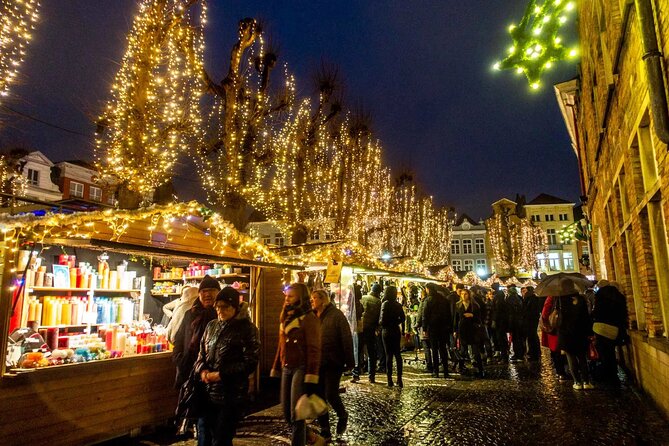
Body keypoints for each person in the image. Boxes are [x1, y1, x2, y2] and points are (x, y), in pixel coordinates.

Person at [194, 287, 260, 446]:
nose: (220, 311)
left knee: (222, 437)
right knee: (203, 434)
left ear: (235, 308)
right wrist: (202, 370)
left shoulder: (247, 329)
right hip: (207, 391)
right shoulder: (211, 326)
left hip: (230, 394)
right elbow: (201, 353)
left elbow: (250, 362)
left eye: (225, 307)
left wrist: (221, 374)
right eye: (218, 307)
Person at [270, 283, 321, 446]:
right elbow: (281, 345)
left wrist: (311, 375)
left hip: (301, 367)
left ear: (300, 297)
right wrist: (276, 366)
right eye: (286, 295)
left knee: (296, 414)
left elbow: (314, 348)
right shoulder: (286, 316)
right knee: (286, 412)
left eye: (290, 296)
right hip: (287, 366)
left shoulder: (309, 318)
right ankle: (312, 438)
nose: (287, 299)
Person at [310, 289, 354, 440]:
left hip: (333, 361)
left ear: (323, 300)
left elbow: (346, 338)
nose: (312, 301)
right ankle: (325, 429)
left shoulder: (336, 315)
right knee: (319, 396)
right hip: (317, 362)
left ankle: (342, 415)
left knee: (331, 393)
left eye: (314, 298)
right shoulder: (313, 316)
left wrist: (350, 361)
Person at [173, 275, 221, 388]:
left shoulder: (222, 315)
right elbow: (179, 339)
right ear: (199, 294)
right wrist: (179, 360)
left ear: (219, 293)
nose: (207, 294)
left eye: (212, 291)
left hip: (210, 376)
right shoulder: (190, 314)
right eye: (204, 291)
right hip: (187, 372)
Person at [557, 279, 594, 390]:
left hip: (566, 333)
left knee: (571, 358)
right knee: (582, 358)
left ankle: (577, 382)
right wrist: (589, 332)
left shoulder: (560, 300)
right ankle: (586, 382)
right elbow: (586, 318)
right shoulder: (581, 299)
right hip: (580, 332)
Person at [592, 280, 628, 385]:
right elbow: (622, 315)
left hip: (600, 328)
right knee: (611, 351)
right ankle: (613, 373)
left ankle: (607, 375)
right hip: (614, 328)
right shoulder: (619, 297)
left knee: (603, 352)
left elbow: (596, 312)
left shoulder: (599, 295)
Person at [424, 283, 453, 378]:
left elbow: (425, 315)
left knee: (434, 350)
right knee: (443, 349)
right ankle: (445, 371)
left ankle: (436, 371)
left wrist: (424, 328)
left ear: (428, 289)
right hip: (443, 327)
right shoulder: (444, 300)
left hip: (433, 327)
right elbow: (449, 314)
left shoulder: (428, 300)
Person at [378, 286, 406, 387]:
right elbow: (403, 318)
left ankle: (389, 379)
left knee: (388, 355)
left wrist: (384, 323)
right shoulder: (398, 305)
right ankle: (399, 378)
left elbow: (381, 320)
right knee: (397, 355)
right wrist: (396, 322)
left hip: (387, 331)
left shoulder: (385, 304)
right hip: (395, 330)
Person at [454, 288, 484, 378]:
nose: (463, 295)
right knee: (462, 350)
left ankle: (480, 368)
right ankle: (461, 367)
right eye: (462, 294)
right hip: (462, 330)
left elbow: (479, 319)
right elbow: (455, 318)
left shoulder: (475, 305)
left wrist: (472, 315)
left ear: (469, 295)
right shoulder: (458, 305)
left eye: (465, 294)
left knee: (475, 351)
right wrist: (455, 330)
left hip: (472, 330)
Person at [540, 295, 569, 380]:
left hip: (556, 327)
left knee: (556, 350)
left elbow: (545, 313)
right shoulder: (573, 296)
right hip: (569, 327)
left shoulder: (552, 296)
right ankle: (572, 370)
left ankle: (560, 372)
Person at [360, 283, 382, 382]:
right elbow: (379, 317)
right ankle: (371, 375)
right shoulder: (378, 302)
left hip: (360, 328)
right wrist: (378, 328)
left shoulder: (363, 298)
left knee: (358, 350)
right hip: (370, 329)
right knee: (371, 353)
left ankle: (356, 373)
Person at [520, 286, 542, 361]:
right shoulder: (535, 297)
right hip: (534, 319)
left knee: (531, 337)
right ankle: (536, 352)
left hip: (529, 320)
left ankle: (533, 353)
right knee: (534, 336)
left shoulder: (528, 297)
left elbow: (525, 309)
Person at [415, 286, 433, 373]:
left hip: (425, 327)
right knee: (432, 347)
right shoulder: (431, 301)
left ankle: (429, 365)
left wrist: (417, 324)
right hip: (432, 327)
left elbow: (421, 315)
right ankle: (434, 363)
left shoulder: (423, 302)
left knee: (426, 347)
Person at [491, 283, 509, 363]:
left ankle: (504, 357)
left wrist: (494, 320)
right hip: (501, 321)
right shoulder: (500, 296)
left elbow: (497, 310)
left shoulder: (498, 297)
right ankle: (504, 355)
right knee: (502, 338)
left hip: (500, 321)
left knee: (501, 339)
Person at [350, 284, 365, 382]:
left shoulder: (354, 304)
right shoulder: (359, 303)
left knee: (356, 350)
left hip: (355, 329)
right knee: (359, 350)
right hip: (359, 328)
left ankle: (356, 372)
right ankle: (359, 370)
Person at [506, 284, 524, 362]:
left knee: (515, 339)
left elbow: (510, 312)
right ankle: (520, 354)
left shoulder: (509, 299)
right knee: (519, 338)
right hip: (520, 321)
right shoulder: (519, 298)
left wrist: (509, 324)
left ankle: (518, 355)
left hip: (514, 322)